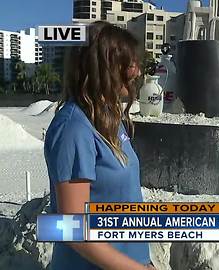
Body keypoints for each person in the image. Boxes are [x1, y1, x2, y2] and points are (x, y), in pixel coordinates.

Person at [44, 21, 155, 270]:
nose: (137, 72)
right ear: (104, 66)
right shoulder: (74, 128)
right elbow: (73, 229)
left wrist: (144, 261)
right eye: (129, 63)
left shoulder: (109, 119)